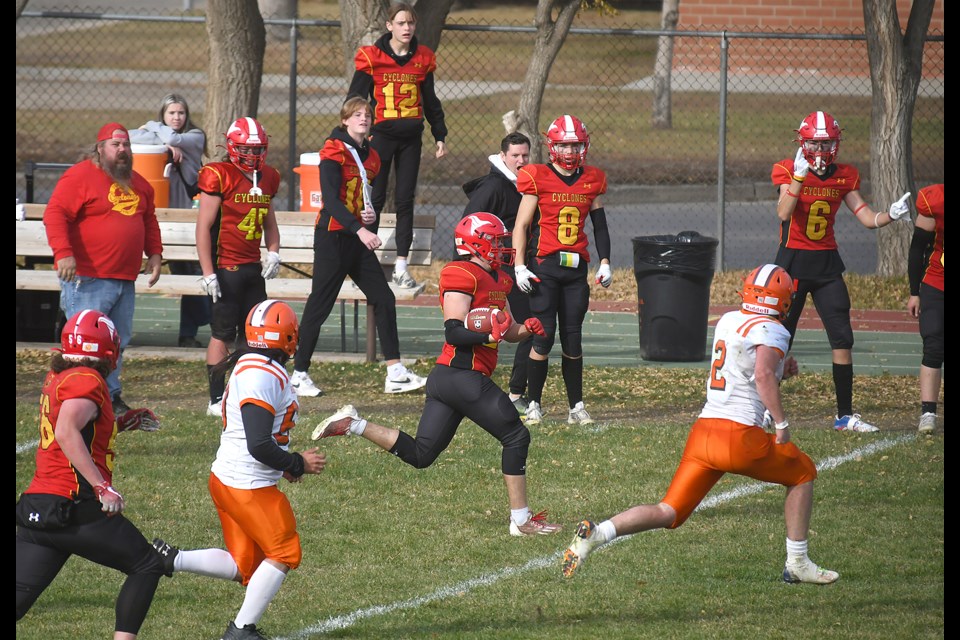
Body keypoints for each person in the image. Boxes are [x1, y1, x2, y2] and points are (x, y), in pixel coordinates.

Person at [561, 264, 840, 586]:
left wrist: (781, 372)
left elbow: (746, 368)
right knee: (803, 474)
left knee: (670, 511)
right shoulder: (774, 329)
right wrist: (782, 423)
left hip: (704, 432)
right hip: (739, 437)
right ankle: (798, 562)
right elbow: (762, 374)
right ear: (783, 300)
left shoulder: (729, 320)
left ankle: (598, 533)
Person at [312, 212, 562, 537]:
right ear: (475, 244)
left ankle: (353, 424)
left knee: (421, 455)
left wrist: (525, 330)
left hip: (449, 380)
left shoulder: (500, 279)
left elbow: (506, 329)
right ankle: (521, 520)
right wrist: (490, 336)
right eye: (495, 241)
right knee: (516, 436)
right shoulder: (462, 272)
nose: (502, 247)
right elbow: (454, 333)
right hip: (461, 375)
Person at [151, 300, 327, 640]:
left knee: (245, 564)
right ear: (289, 338)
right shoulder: (262, 373)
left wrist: (285, 464)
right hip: (248, 485)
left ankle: (170, 559)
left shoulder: (253, 363)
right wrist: (296, 462)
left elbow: (261, 438)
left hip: (227, 479)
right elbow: (258, 444)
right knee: (284, 552)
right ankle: (241, 630)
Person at [17, 309, 164, 639]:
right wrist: (101, 487)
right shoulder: (87, 378)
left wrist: (121, 423)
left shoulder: (60, 374)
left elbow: (79, 431)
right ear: (109, 349)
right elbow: (68, 430)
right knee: (147, 565)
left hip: (39, 508)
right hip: (74, 506)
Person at [771, 111, 911, 433]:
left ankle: (844, 416)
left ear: (836, 144)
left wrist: (889, 215)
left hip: (826, 265)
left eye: (826, 144)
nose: (820, 151)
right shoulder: (788, 169)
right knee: (779, 338)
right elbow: (782, 213)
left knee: (842, 339)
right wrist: (798, 178)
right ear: (802, 144)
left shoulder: (845, 175)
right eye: (815, 144)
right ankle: (768, 410)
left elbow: (865, 216)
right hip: (791, 264)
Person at [290, 97, 426, 398]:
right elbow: (331, 201)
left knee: (383, 298)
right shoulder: (334, 150)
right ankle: (299, 373)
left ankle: (394, 372)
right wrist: (359, 229)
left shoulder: (372, 155)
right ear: (345, 120)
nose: (363, 118)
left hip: (355, 236)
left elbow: (361, 200)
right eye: (357, 115)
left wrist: (369, 215)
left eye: (367, 114)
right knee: (320, 305)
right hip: (333, 238)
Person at [43, 122, 164, 417]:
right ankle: (76, 397)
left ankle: (110, 396)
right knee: (85, 344)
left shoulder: (139, 183)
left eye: (126, 146)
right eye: (115, 145)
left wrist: (156, 254)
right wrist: (64, 254)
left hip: (124, 278)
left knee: (117, 340)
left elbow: (149, 220)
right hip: (87, 277)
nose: (122, 150)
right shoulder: (80, 176)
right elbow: (55, 214)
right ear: (100, 149)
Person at [512, 114, 612, 426]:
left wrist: (605, 261)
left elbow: (600, 226)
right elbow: (522, 224)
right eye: (565, 145)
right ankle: (535, 404)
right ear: (553, 145)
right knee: (543, 336)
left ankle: (576, 406)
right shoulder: (536, 176)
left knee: (573, 338)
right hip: (545, 267)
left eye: (576, 144)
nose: (570, 151)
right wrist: (518, 265)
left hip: (576, 270)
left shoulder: (592, 178)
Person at [346, 1, 448, 290]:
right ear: (389, 26)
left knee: (405, 201)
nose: (407, 28)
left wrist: (439, 134)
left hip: (410, 139)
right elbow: (355, 98)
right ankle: (364, 264)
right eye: (401, 23)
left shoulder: (423, 58)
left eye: (411, 23)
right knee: (374, 199)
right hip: (380, 138)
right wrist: (356, 133)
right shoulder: (373, 56)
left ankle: (401, 265)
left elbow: (430, 100)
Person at [196, 116, 283, 417]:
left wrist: (273, 252)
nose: (252, 155)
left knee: (253, 334)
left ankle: (244, 390)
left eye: (258, 149)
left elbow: (270, 223)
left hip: (252, 269)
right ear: (232, 147)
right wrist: (208, 272)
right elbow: (203, 228)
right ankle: (215, 398)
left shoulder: (268, 177)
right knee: (222, 333)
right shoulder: (218, 175)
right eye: (246, 148)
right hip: (225, 268)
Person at [130, 92, 211, 349]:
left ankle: (189, 330)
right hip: (161, 218)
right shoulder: (163, 136)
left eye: (181, 113)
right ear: (163, 115)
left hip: (188, 217)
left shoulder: (194, 136)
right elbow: (129, 137)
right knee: (178, 270)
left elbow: (175, 138)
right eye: (171, 113)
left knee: (193, 273)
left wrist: (156, 129)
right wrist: (163, 141)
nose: (177, 117)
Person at [461, 132, 534, 414]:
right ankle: (510, 393)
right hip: (501, 269)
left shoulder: (527, 183)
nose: (521, 160)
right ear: (503, 156)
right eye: (515, 155)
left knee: (529, 327)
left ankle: (515, 392)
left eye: (525, 155)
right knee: (520, 326)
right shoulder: (492, 187)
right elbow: (468, 225)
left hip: (520, 266)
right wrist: (475, 268)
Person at [907, 183, 943, 434]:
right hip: (937, 281)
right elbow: (918, 247)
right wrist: (914, 292)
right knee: (933, 344)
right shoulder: (936, 200)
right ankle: (928, 412)